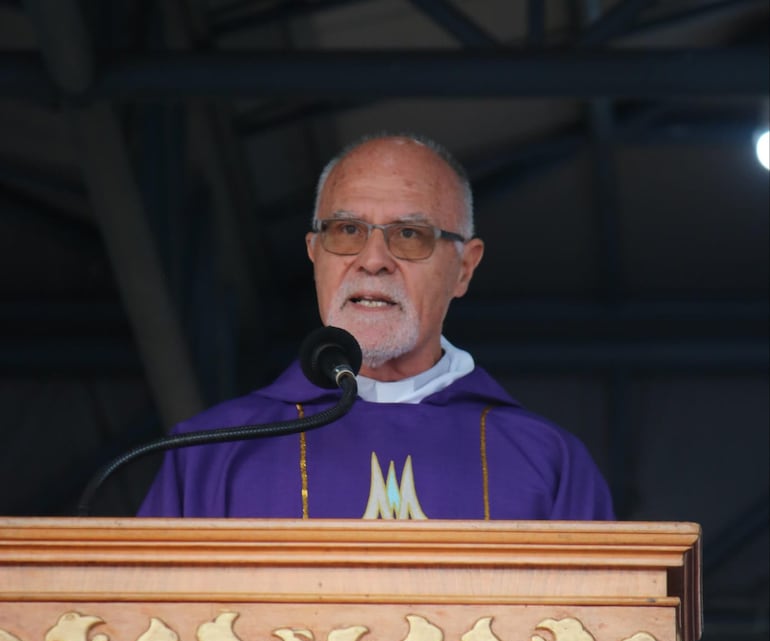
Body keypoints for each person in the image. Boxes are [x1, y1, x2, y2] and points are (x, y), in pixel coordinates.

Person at [138, 133, 615, 520]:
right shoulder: (209, 453)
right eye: (347, 231)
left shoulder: (546, 463)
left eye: (409, 235)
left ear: (464, 269)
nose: (372, 261)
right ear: (314, 254)